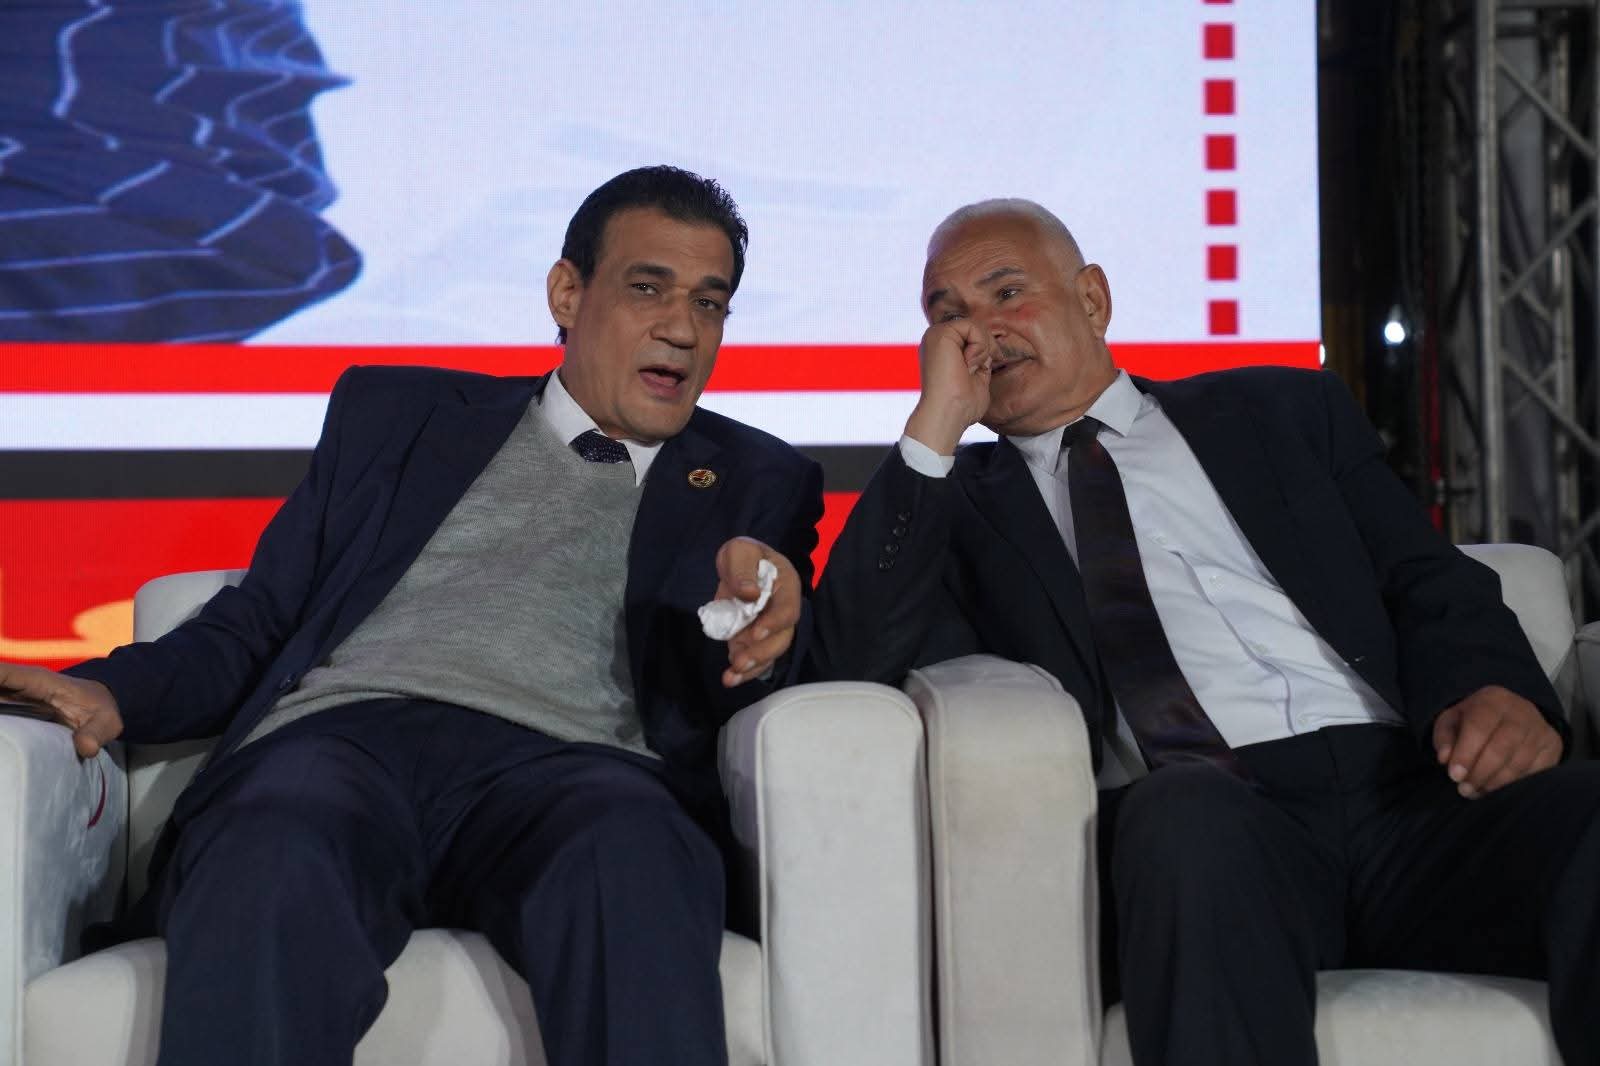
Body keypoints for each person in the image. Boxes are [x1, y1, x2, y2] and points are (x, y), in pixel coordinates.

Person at [1, 165, 823, 1066]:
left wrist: (767, 617)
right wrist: (113, 692)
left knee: (633, 854)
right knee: (274, 842)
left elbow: (749, 661)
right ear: (567, 293)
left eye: (710, 304)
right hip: (345, 744)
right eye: (647, 288)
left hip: (578, 772)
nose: (683, 328)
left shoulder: (757, 478)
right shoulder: (399, 415)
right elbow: (260, 619)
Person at [811, 198, 1600, 1066]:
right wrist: (934, 426)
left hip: (1415, 795)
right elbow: (851, 655)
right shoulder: (955, 505)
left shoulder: (1280, 410)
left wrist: (1496, 688)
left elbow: (1424, 574)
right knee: (1185, 820)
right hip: (1218, 819)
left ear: (1092, 300)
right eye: (948, 315)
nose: (981, 332)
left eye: (1006, 293)